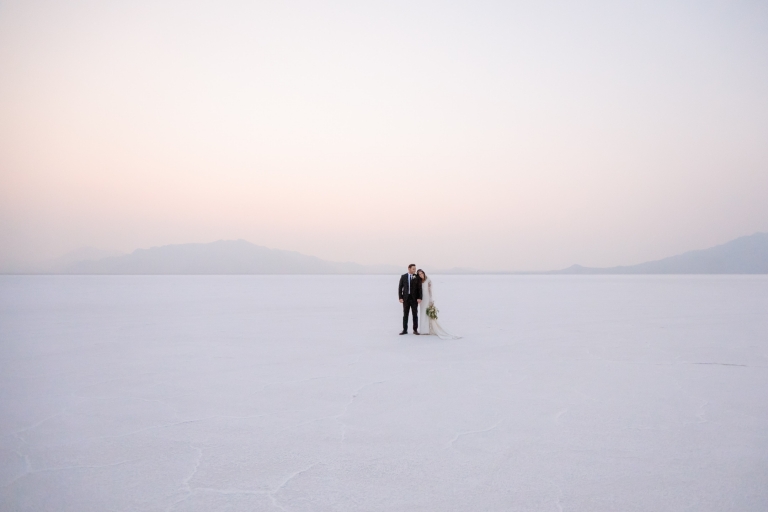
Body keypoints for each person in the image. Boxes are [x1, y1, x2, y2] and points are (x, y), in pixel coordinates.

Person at [416, 269, 461, 340]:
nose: (421, 275)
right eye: (419, 274)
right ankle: (423, 330)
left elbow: (430, 290)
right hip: (422, 299)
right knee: (422, 313)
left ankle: (428, 329)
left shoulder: (428, 280)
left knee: (427, 313)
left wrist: (431, 299)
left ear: (424, 273)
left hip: (427, 298)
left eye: (421, 273)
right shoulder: (419, 281)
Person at [398, 264, 422, 335]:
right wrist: (400, 297)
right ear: (409, 268)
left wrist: (420, 297)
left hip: (414, 299)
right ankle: (405, 330)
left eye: (415, 269)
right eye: (413, 269)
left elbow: (419, 288)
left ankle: (415, 330)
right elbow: (400, 288)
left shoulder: (417, 277)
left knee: (415, 314)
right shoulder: (403, 276)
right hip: (406, 298)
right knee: (405, 314)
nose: (414, 270)